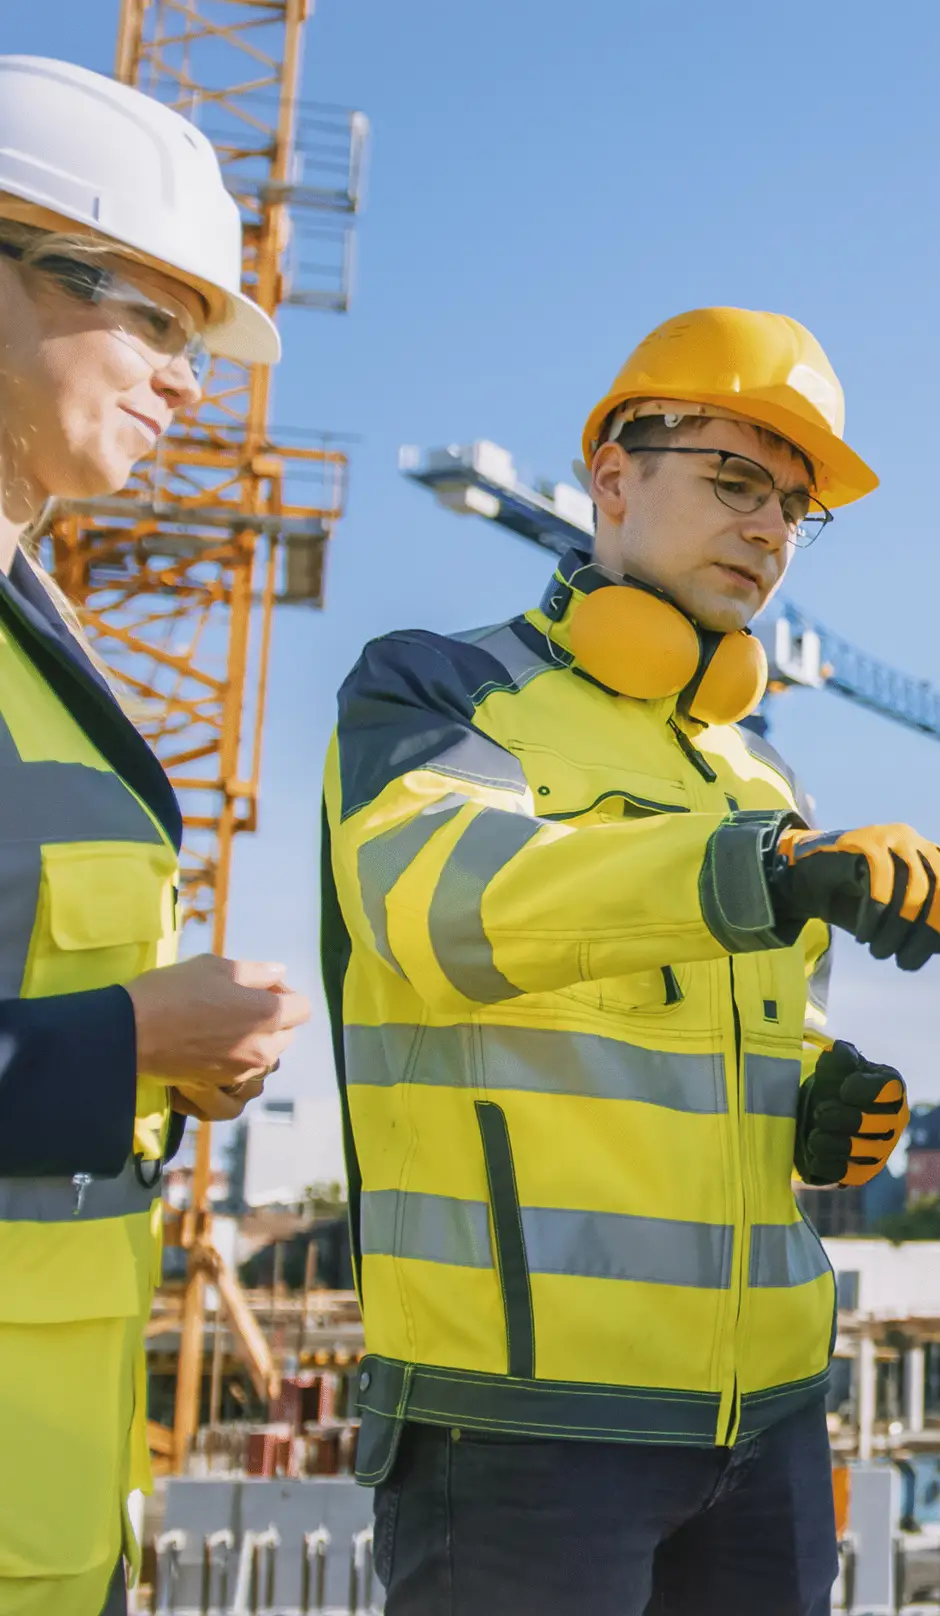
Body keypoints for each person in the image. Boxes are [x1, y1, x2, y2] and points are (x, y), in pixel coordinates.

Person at [322, 306, 940, 1616]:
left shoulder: (754, 768)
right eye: (737, 481)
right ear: (612, 475)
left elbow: (742, 1043)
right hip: (520, 1429)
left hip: (764, 1424)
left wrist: (819, 1097)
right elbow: (449, 910)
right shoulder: (438, 694)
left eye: (795, 506)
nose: (771, 528)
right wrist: (760, 871)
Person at [0, 56, 311, 1616]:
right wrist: (127, 1036)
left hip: (51, 1507)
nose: (193, 380)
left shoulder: (39, 633)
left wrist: (161, 1058)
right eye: (154, 317)